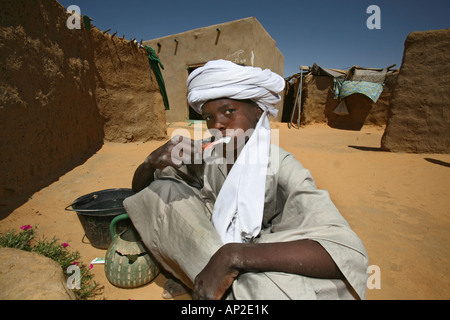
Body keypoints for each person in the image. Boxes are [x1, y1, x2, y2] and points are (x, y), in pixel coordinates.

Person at [123, 60, 369, 300]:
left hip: (255, 258)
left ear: (258, 112)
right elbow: (141, 190)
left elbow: (346, 252)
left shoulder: (280, 166)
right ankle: (204, 276)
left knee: (269, 289)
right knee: (163, 190)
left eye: (229, 111)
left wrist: (234, 256)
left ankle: (209, 278)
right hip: (210, 243)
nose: (216, 124)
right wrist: (150, 163)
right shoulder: (208, 153)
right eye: (208, 117)